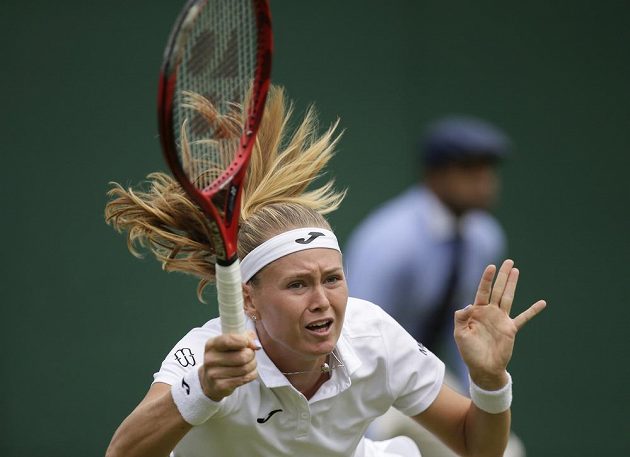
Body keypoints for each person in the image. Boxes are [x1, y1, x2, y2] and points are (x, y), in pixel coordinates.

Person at [104, 87, 546, 457]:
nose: (322, 300)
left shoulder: (373, 335)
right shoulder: (208, 356)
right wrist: (200, 389)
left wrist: (488, 383)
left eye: (332, 279)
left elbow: (476, 447)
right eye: (298, 284)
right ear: (249, 299)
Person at [343, 116, 525, 456]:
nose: (484, 181)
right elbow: (353, 336)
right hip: (368, 381)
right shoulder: (389, 242)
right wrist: (358, 423)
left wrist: (477, 405)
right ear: (435, 176)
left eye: (488, 168)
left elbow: (469, 334)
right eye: (469, 169)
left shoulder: (484, 237)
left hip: (421, 375)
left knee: (504, 452)